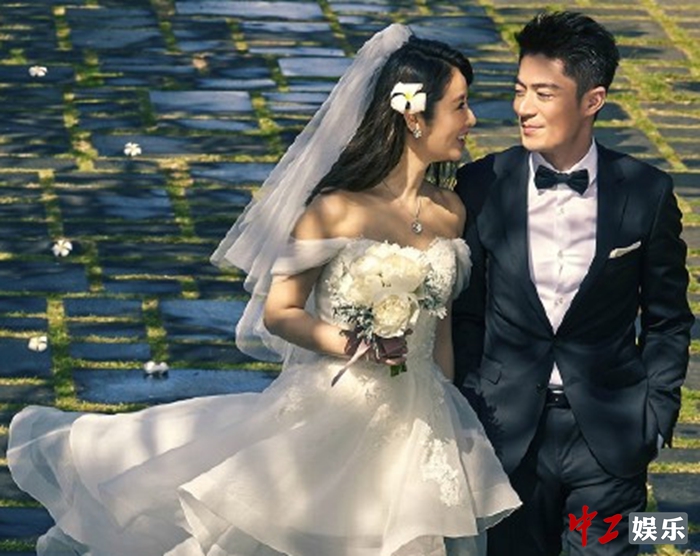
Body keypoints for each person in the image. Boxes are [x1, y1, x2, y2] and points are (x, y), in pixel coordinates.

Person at [9, 24, 520, 556]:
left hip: (425, 416)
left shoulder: (450, 211)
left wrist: (447, 402)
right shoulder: (335, 209)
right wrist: (357, 344)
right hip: (340, 404)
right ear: (414, 116)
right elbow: (281, 311)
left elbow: (440, 330)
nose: (472, 120)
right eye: (460, 106)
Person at [452, 10, 693, 556]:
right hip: (507, 434)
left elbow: (668, 319)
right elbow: (466, 313)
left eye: (544, 93)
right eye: (519, 90)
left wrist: (655, 416)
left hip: (610, 434)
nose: (524, 108)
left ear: (592, 100)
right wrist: (471, 402)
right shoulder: (482, 184)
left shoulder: (646, 191)